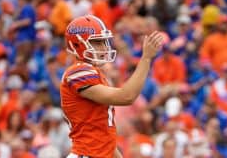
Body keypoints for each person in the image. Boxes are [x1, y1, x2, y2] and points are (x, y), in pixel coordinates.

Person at [61, 15, 163, 158]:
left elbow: (103, 133)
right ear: (77, 44)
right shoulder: (78, 72)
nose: (103, 47)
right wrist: (146, 58)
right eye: (97, 42)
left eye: (104, 42)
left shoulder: (95, 73)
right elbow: (127, 97)